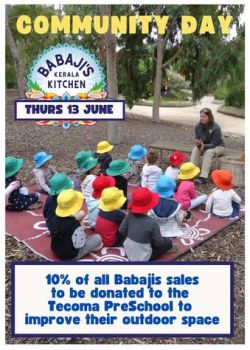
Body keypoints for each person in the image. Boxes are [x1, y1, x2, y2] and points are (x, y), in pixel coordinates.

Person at [119, 188, 173, 261]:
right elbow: (158, 243)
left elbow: (121, 231)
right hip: (143, 257)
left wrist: (134, 235)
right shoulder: (152, 223)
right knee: (167, 242)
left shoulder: (129, 215)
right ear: (150, 205)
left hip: (128, 249)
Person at [50, 189, 103, 260]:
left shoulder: (54, 217)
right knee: (97, 238)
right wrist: (81, 228)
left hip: (56, 250)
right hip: (71, 255)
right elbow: (79, 245)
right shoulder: (74, 224)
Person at [190, 108, 225, 184]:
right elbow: (197, 139)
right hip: (205, 146)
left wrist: (204, 146)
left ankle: (203, 177)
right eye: (201, 116)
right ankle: (190, 173)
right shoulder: (197, 126)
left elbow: (214, 144)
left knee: (208, 152)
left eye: (204, 116)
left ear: (209, 117)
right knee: (195, 149)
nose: (202, 118)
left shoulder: (216, 128)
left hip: (218, 146)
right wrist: (198, 143)